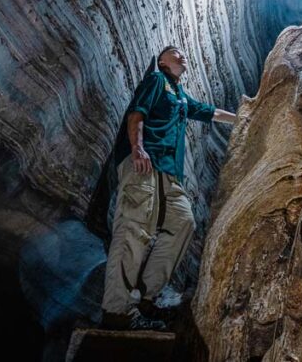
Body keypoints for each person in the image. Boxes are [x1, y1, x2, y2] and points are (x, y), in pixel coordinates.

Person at [101, 45, 237, 330]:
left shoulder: (180, 95)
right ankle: (117, 310)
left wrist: (241, 118)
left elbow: (208, 112)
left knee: (183, 221)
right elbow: (137, 114)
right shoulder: (156, 81)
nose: (183, 55)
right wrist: (137, 148)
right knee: (134, 228)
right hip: (144, 163)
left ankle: (145, 299)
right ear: (163, 61)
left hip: (170, 175)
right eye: (176, 52)